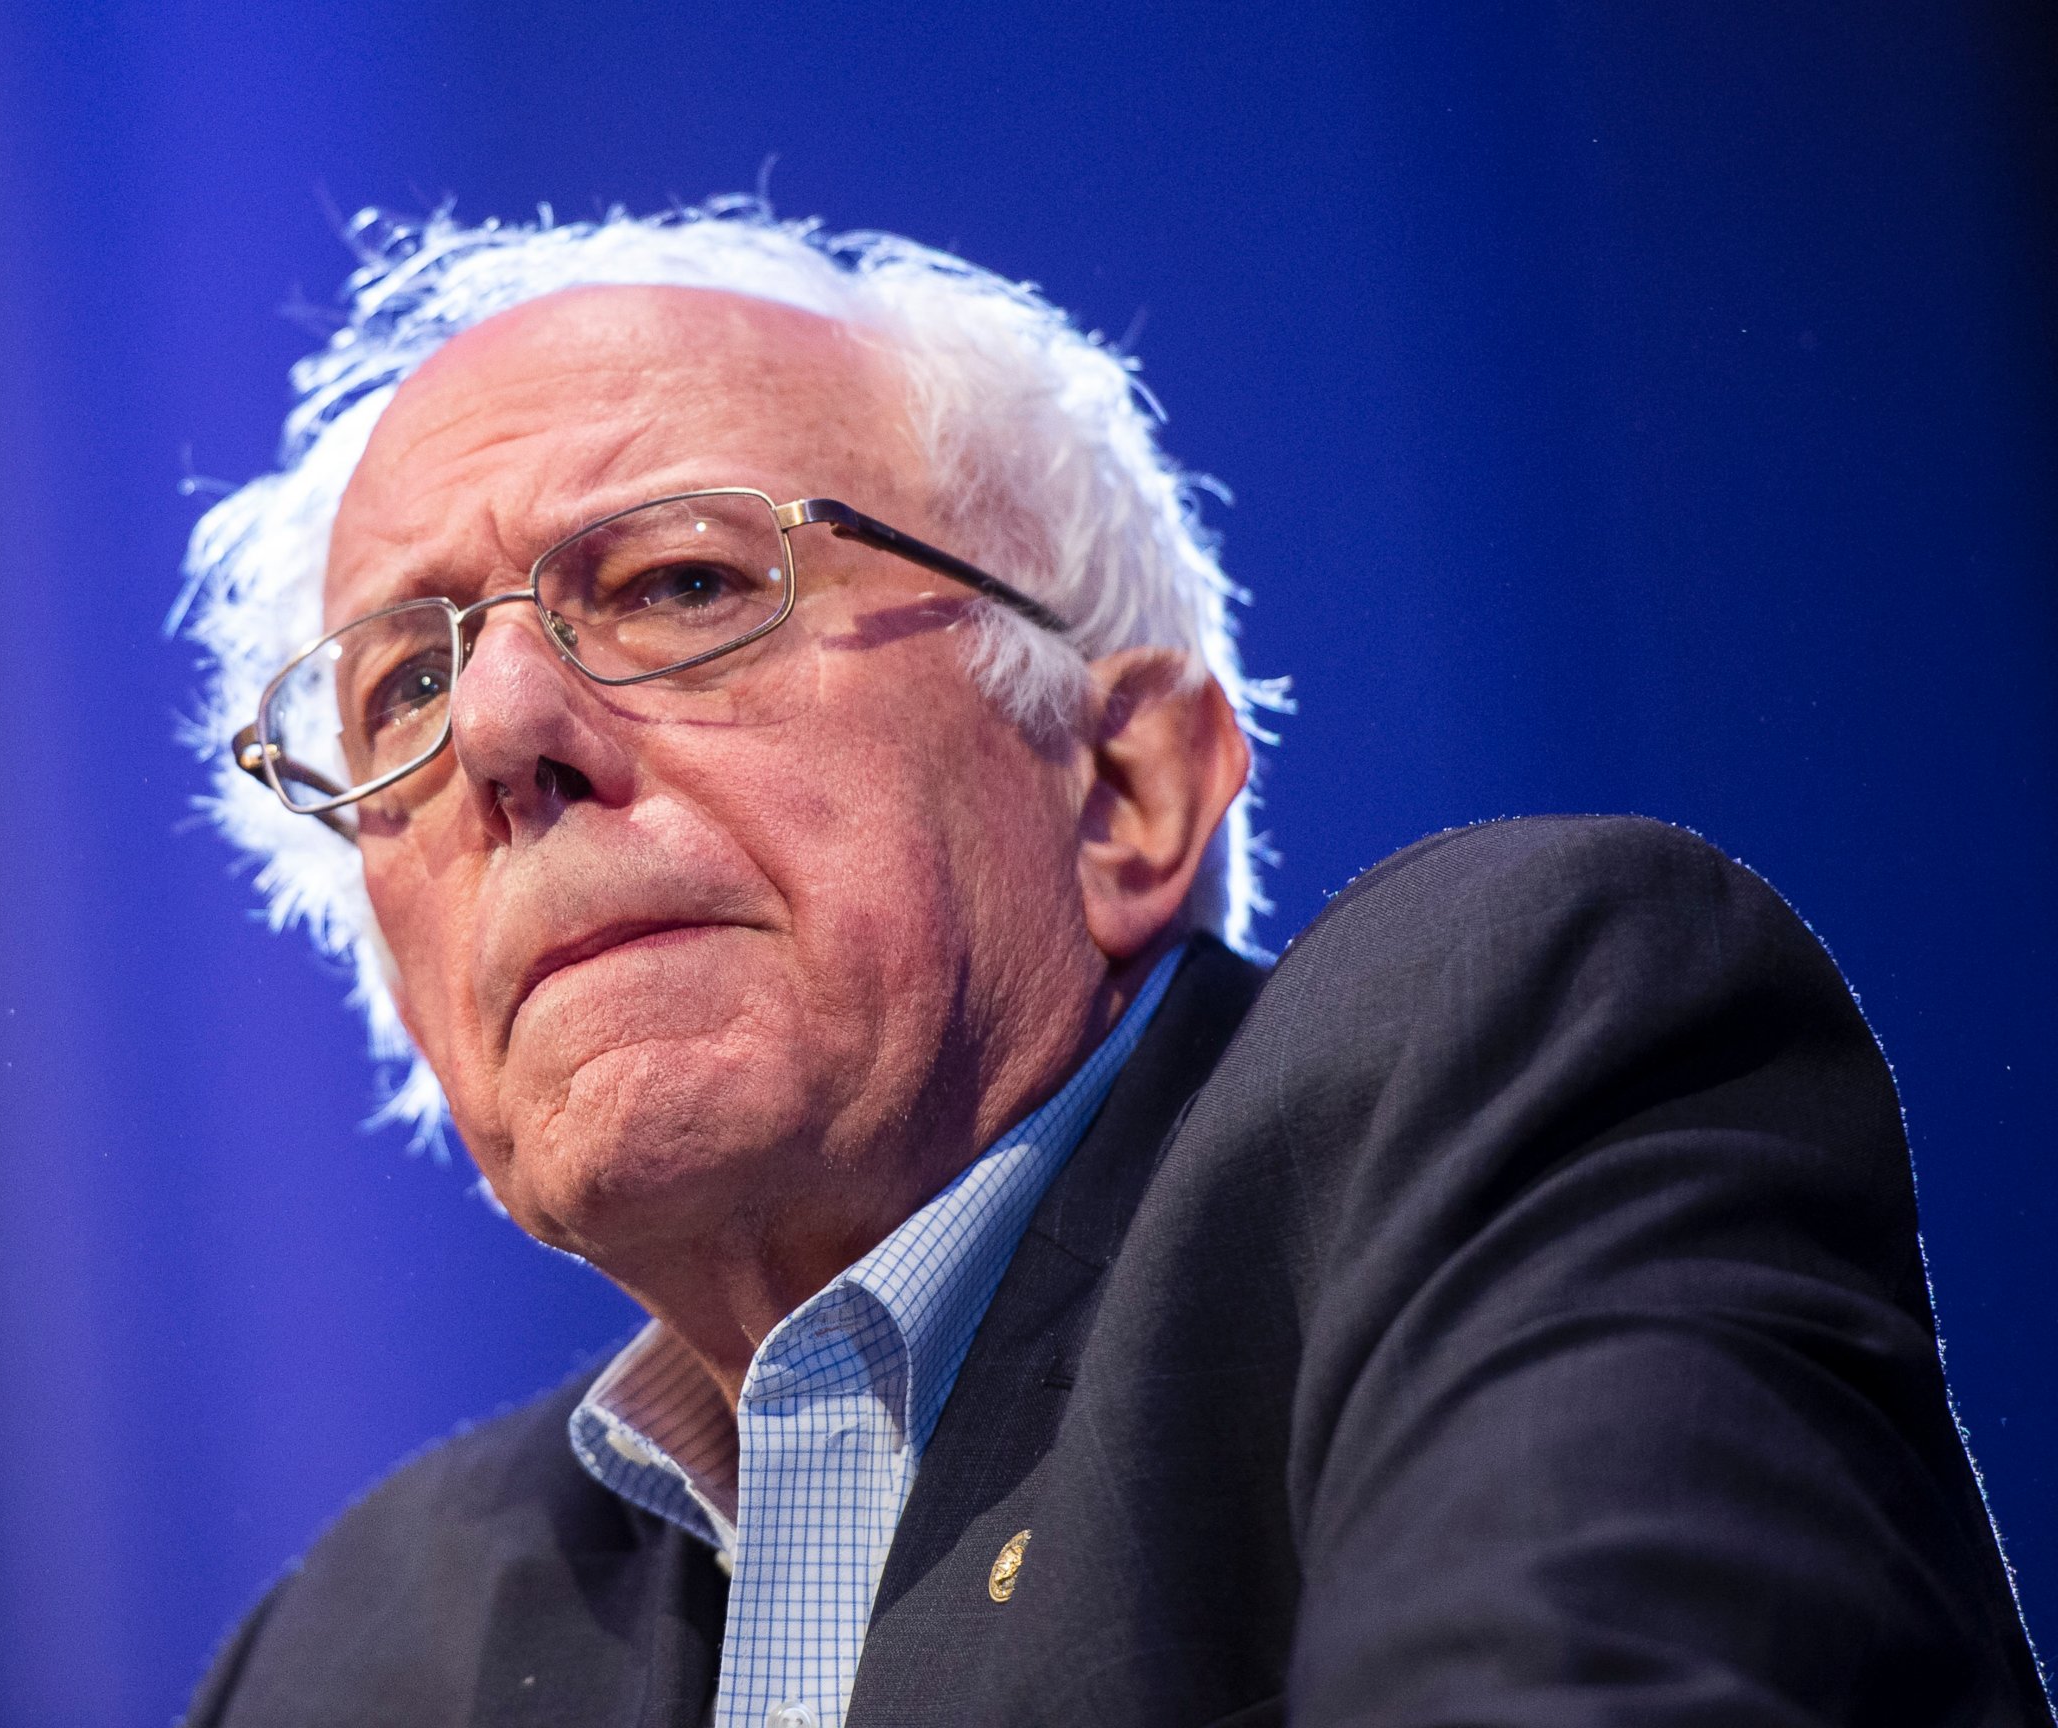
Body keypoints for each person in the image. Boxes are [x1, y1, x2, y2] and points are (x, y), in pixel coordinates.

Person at [165, 201, 2049, 1727]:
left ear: (1128, 786)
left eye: (676, 584)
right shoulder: (346, 1661)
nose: (499, 726)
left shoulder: (1498, 1076)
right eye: (401, 686)